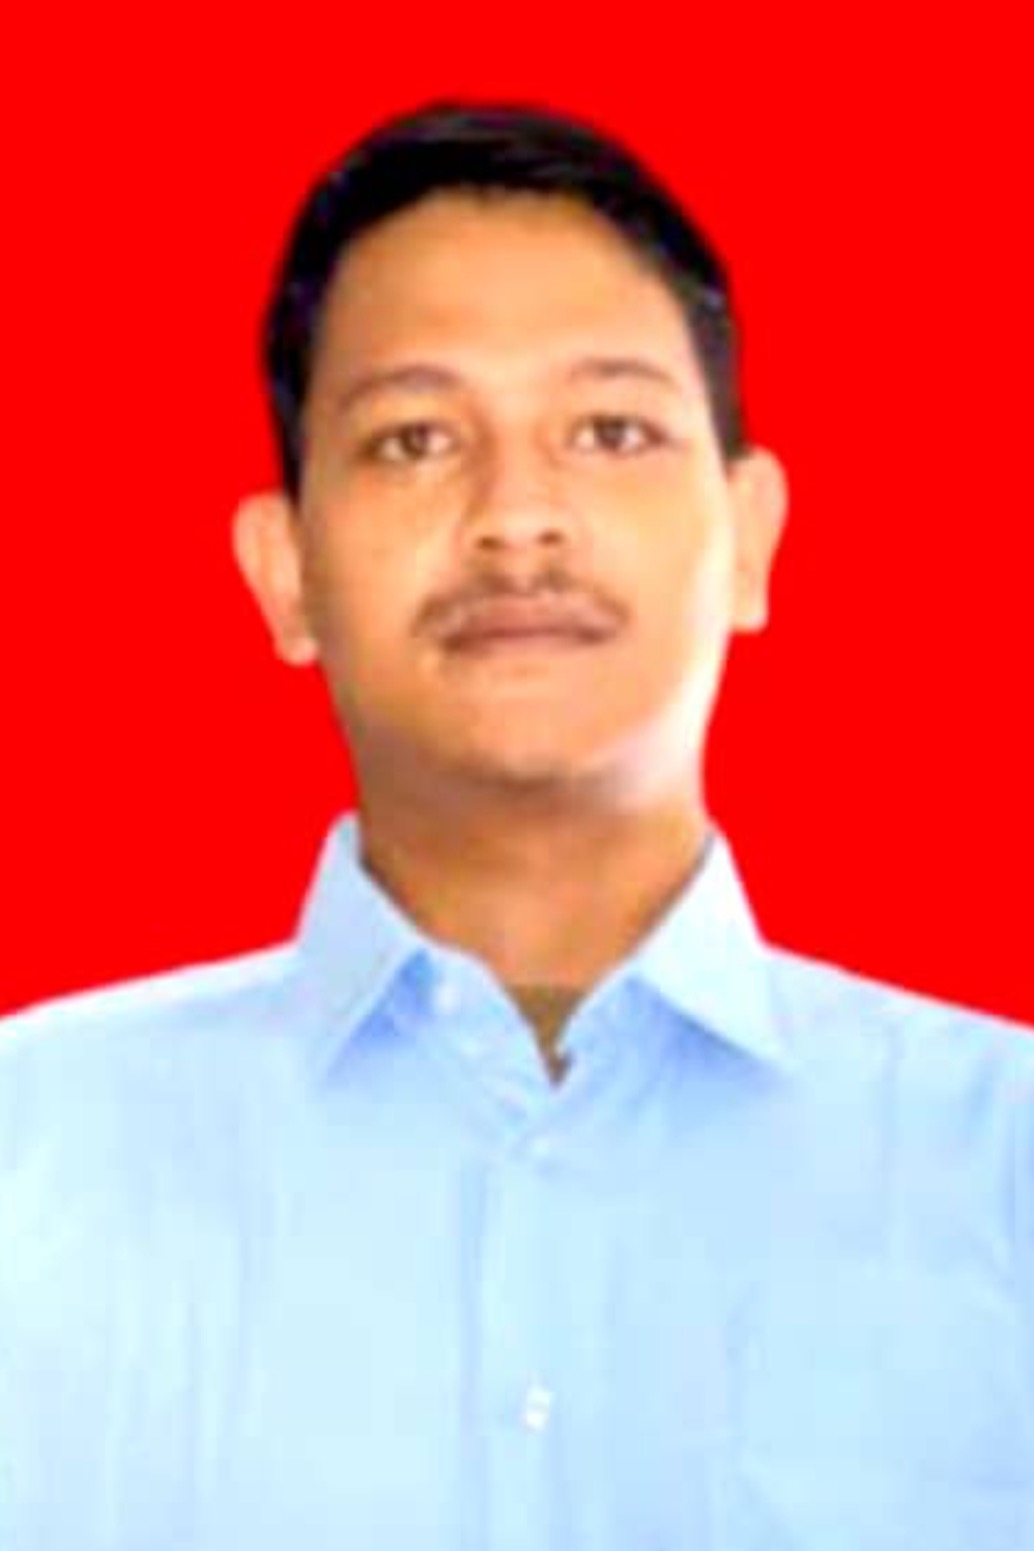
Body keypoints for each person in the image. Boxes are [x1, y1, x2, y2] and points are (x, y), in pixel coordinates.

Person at [1, 101, 1031, 1551]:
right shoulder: (30, 1156)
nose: (518, 518)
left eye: (610, 431)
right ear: (284, 571)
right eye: (415, 439)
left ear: (749, 537)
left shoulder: (1003, 1166)